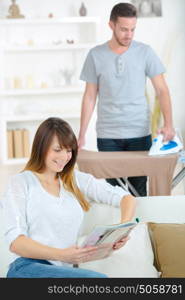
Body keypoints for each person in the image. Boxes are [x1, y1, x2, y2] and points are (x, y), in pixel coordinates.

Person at [2, 117, 136, 278]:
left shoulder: (76, 180)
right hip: (26, 268)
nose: (65, 157)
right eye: (57, 150)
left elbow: (126, 198)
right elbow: (16, 242)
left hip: (63, 270)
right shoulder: (21, 182)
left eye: (69, 150)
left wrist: (121, 232)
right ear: (41, 148)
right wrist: (61, 255)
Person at [78, 2, 175, 196]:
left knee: (139, 190)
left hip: (139, 133)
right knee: (113, 192)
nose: (128, 34)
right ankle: (120, 227)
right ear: (111, 25)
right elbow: (89, 96)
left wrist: (169, 125)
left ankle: (139, 227)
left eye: (132, 29)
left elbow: (162, 90)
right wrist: (81, 134)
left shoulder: (145, 52)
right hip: (108, 136)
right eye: (123, 29)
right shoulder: (95, 55)